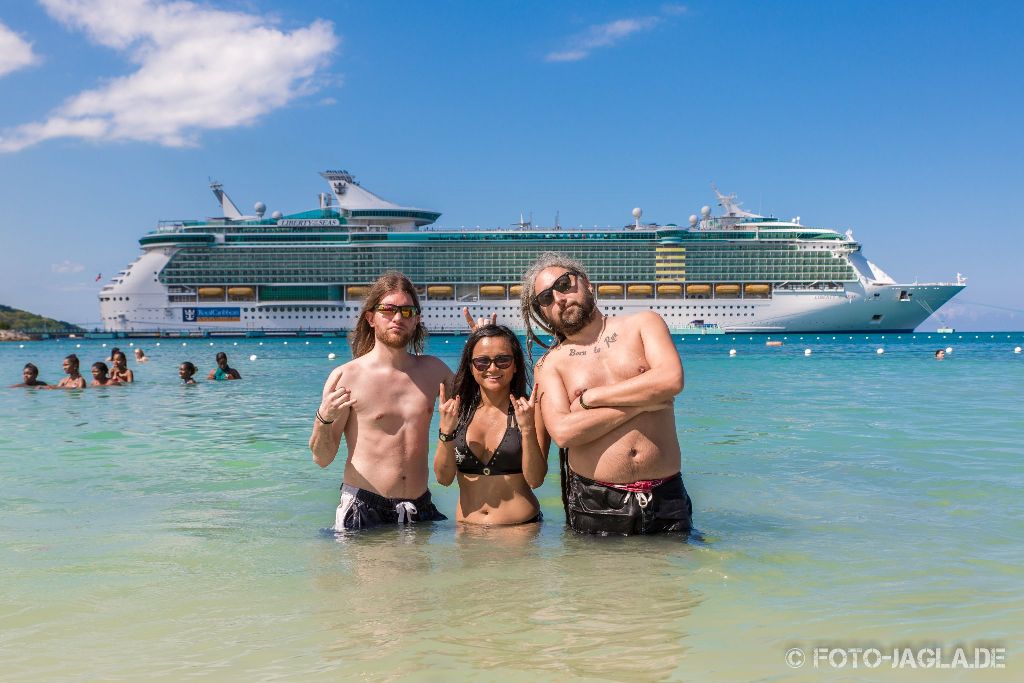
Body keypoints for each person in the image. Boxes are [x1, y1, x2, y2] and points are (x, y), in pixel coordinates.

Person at [519, 252, 693, 536]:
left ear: (587, 284)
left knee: (671, 579)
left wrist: (591, 399)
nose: (559, 299)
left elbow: (671, 379)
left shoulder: (643, 324)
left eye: (564, 284)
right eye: (546, 299)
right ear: (543, 313)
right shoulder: (550, 364)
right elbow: (563, 432)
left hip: (667, 497)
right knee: (597, 582)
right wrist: (644, 401)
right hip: (596, 501)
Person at [309, 271, 451, 530]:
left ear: (417, 319)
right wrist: (324, 418)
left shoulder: (436, 372)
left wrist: (482, 339)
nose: (398, 318)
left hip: (420, 508)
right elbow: (322, 458)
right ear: (371, 317)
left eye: (407, 311)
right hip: (364, 508)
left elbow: (482, 403)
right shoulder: (346, 376)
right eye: (388, 309)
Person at [434, 325, 547, 525]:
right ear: (471, 367)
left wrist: (528, 429)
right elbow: (443, 479)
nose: (492, 368)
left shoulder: (528, 409)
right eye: (482, 361)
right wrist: (446, 432)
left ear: (516, 365)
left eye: (503, 360)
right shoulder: (458, 411)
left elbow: (536, 480)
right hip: (468, 532)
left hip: (519, 531)